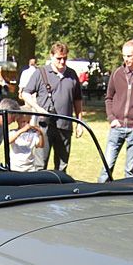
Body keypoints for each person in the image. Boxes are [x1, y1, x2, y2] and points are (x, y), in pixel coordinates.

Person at [21, 42, 83, 172]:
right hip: (44, 126)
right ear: (52, 56)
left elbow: (78, 100)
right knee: (40, 165)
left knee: (62, 166)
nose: (62, 62)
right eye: (59, 58)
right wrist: (37, 109)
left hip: (65, 125)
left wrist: (80, 123)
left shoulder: (72, 74)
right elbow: (25, 93)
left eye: (64, 58)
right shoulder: (41, 72)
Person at [98, 40, 133, 182]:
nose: (126, 59)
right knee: (107, 166)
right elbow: (108, 97)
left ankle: (128, 196)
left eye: (130, 56)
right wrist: (111, 118)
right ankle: (100, 193)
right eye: (124, 56)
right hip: (117, 126)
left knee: (130, 170)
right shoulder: (117, 74)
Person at [6, 104, 44, 171]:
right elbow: (9, 141)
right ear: (17, 121)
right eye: (23, 122)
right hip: (16, 166)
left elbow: (40, 145)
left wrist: (40, 134)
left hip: (30, 167)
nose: (26, 124)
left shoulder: (32, 133)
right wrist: (22, 131)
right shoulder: (14, 132)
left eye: (28, 122)